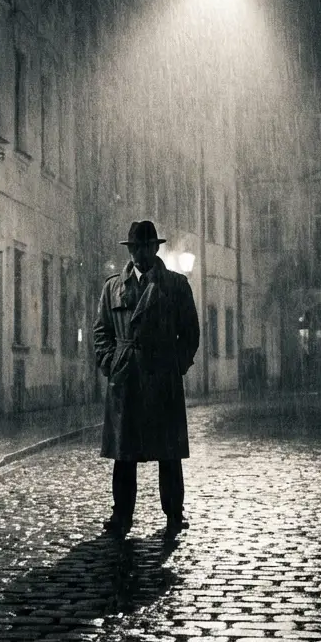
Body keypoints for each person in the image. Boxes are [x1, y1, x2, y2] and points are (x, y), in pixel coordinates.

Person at [93, 220, 200, 537]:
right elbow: (102, 332)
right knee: (124, 455)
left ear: (156, 248)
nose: (140, 253)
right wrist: (111, 363)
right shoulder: (113, 287)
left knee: (168, 453)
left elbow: (190, 333)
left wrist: (175, 365)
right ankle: (121, 516)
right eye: (135, 247)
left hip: (162, 377)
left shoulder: (175, 286)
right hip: (126, 378)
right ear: (130, 250)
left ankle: (174, 514)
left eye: (146, 246)